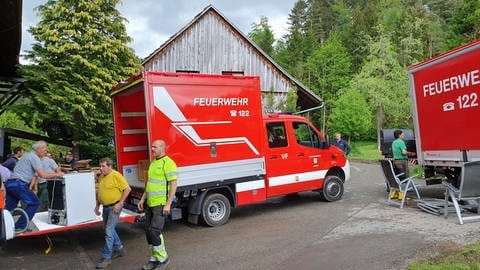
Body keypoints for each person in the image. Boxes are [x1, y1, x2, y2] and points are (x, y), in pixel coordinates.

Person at [4, 141, 63, 231]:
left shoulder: (27, 155)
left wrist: (31, 185)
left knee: (8, 208)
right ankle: (20, 226)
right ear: (38, 149)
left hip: (10, 184)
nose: (45, 152)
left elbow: (35, 174)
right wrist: (58, 174)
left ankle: (3, 227)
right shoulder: (34, 157)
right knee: (34, 203)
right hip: (19, 184)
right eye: (44, 150)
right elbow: (42, 175)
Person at [137, 140, 178, 270]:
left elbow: (173, 185)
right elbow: (149, 184)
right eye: (152, 146)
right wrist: (142, 199)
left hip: (161, 203)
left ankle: (163, 258)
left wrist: (168, 204)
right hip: (150, 203)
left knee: (155, 231)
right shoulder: (153, 163)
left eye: (155, 147)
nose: (152, 149)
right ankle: (154, 258)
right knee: (148, 232)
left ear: (162, 148)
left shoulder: (169, 163)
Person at [94, 157, 131, 269]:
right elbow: (100, 193)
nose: (101, 168)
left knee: (108, 231)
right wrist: (97, 205)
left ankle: (106, 257)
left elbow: (127, 189)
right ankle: (119, 249)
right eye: (100, 166)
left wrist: (120, 204)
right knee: (109, 229)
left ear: (110, 166)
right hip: (105, 207)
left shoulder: (116, 175)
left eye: (103, 166)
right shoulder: (101, 177)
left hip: (114, 207)